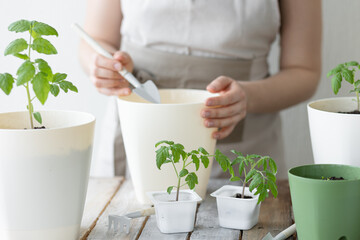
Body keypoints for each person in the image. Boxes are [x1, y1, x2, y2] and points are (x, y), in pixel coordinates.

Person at [79, 0, 321, 179]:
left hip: (243, 150)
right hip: (137, 138)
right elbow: (95, 39)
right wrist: (103, 64)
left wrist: (247, 97)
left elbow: (304, 71)